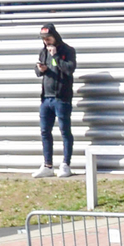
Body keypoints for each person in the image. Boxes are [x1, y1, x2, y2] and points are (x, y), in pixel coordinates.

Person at [34, 23, 75, 180]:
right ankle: (47, 165)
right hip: (46, 98)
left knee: (64, 131)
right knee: (45, 131)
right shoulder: (43, 52)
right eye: (44, 39)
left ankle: (66, 164)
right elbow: (37, 71)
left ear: (55, 37)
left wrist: (56, 56)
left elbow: (69, 69)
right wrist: (40, 69)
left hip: (62, 98)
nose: (46, 42)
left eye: (48, 38)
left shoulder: (67, 50)